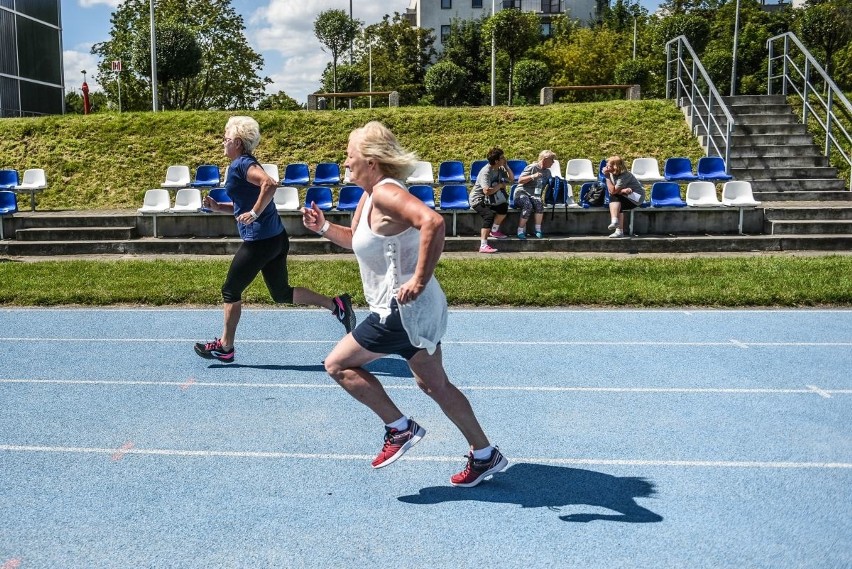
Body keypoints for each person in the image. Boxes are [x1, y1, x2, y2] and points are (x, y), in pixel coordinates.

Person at [302, 121, 507, 487]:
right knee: (435, 385)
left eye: (349, 155)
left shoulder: (385, 193)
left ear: (371, 161)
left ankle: (399, 429)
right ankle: (484, 454)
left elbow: (433, 222)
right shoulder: (369, 197)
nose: (344, 162)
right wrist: (322, 228)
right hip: (414, 310)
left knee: (337, 364)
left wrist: (419, 279)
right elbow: (356, 241)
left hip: (400, 311)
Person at [194, 116, 356, 363]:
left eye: (225, 139)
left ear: (237, 142)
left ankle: (226, 347)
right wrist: (219, 208)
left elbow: (270, 184)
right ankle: (337, 305)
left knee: (230, 289)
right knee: (281, 293)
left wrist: (254, 213)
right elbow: (244, 204)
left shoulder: (241, 165)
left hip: (261, 241)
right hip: (276, 238)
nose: (222, 143)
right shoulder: (244, 164)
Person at [469, 147, 513, 254]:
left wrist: (506, 166)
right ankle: (483, 245)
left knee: (503, 207)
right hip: (478, 199)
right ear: (497, 161)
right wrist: (500, 185)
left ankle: (494, 231)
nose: (505, 159)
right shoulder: (486, 172)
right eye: (502, 158)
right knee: (489, 215)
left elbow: (512, 179)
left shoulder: (499, 168)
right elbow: (486, 191)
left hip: (491, 199)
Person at [514, 150, 557, 239]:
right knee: (527, 205)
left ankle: (538, 230)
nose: (553, 162)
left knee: (539, 204)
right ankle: (520, 230)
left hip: (535, 195)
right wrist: (532, 176)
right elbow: (520, 180)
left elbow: (550, 185)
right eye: (552, 160)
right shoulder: (532, 167)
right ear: (545, 159)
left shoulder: (548, 172)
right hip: (521, 193)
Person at [602, 155, 645, 238]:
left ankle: (615, 223)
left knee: (614, 198)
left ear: (616, 167)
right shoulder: (611, 173)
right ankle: (618, 229)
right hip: (624, 196)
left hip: (636, 198)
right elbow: (613, 190)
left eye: (609, 166)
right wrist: (622, 191)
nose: (606, 167)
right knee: (616, 201)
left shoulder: (625, 175)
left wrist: (607, 177)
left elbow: (613, 191)